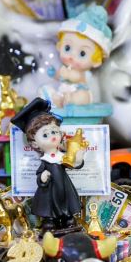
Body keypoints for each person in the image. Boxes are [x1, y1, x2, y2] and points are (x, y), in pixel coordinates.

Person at [11, 99, 84, 233]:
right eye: (45, 134)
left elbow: (73, 164)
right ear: (35, 144)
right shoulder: (45, 160)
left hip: (64, 186)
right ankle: (50, 222)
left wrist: (78, 158)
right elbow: (39, 174)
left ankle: (68, 219)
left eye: (54, 131)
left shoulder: (62, 156)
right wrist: (42, 178)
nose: (52, 136)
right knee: (49, 205)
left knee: (66, 201)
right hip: (49, 189)